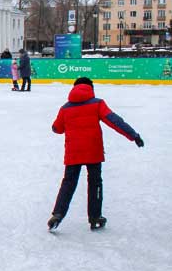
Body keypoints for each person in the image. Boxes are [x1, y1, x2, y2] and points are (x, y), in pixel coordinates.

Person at [47, 77, 144, 231]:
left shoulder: (65, 108)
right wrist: (133, 135)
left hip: (73, 153)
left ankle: (58, 214)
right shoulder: (97, 103)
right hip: (93, 151)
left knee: (69, 182)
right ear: (90, 88)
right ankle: (95, 216)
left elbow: (57, 128)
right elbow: (115, 121)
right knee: (95, 182)